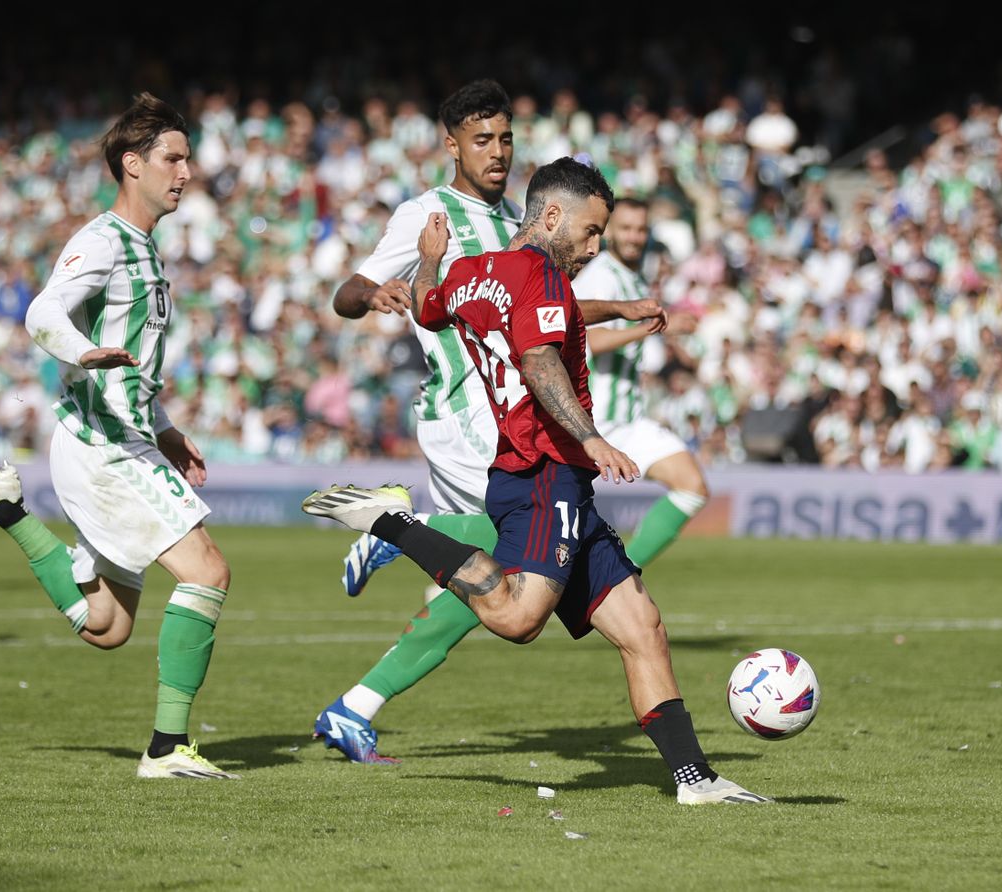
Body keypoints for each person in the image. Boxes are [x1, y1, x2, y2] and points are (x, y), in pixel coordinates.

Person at [304, 158, 769, 804]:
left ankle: (696, 779)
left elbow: (430, 311)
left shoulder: (476, 273)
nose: (595, 247)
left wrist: (431, 261)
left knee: (642, 626)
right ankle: (395, 524)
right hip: (545, 472)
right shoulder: (543, 277)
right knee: (519, 618)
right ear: (552, 216)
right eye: (591, 231)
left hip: (538, 476)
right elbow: (540, 359)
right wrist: (592, 438)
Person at [317, 82, 664, 763]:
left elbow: (544, 311)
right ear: (452, 146)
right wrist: (377, 292)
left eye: (505, 138)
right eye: (482, 140)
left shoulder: (518, 219)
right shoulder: (427, 213)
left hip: (507, 413)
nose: (498, 152)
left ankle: (356, 706)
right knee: (512, 563)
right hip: (467, 410)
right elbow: (346, 293)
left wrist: (618, 309)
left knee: (494, 581)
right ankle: (400, 526)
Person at [0, 94, 236, 780]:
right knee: (208, 572)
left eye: (188, 159)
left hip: (121, 436)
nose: (186, 172)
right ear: (132, 164)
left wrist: (165, 427)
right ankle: (166, 750)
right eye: (172, 159)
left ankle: (6, 509)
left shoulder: (144, 247)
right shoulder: (104, 240)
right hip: (103, 443)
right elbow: (43, 312)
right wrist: (80, 352)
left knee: (106, 627)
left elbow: (131, 362)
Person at [575, 198, 710, 565]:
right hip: (596, 421)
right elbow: (589, 339)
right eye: (626, 228)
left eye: (641, 229)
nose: (634, 237)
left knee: (692, 485)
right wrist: (652, 328)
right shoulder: (601, 275)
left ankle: (621, 574)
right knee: (537, 530)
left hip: (626, 419)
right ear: (609, 232)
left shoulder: (632, 277)